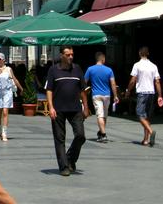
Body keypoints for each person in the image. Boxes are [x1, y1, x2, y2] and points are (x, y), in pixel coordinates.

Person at [45, 46, 89, 177]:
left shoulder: (77, 69)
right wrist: (51, 107)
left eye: (72, 54)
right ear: (61, 56)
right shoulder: (53, 70)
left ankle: (70, 158)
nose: (71, 57)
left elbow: (83, 90)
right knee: (59, 139)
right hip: (58, 109)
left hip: (75, 108)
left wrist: (86, 107)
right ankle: (64, 166)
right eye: (68, 54)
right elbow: (49, 90)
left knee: (81, 136)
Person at [125, 46, 163, 146]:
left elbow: (133, 80)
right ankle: (146, 140)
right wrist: (160, 95)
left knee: (139, 114)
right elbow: (157, 82)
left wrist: (128, 90)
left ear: (139, 53)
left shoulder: (137, 65)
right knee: (146, 116)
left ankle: (151, 132)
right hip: (151, 93)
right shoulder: (153, 66)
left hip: (142, 93)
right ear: (148, 54)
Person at [84, 52, 119, 142]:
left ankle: (103, 134)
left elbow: (84, 82)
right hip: (107, 95)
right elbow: (113, 83)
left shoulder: (90, 69)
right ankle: (101, 132)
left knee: (99, 115)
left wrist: (83, 92)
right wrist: (115, 96)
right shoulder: (109, 70)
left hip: (96, 95)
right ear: (103, 59)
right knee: (104, 116)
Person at [0, 53, 23, 142]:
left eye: (0, 59)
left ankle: (4, 133)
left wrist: (21, 88)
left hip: (7, 92)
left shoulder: (9, 69)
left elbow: (15, 79)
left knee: (5, 112)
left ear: (4, 60)